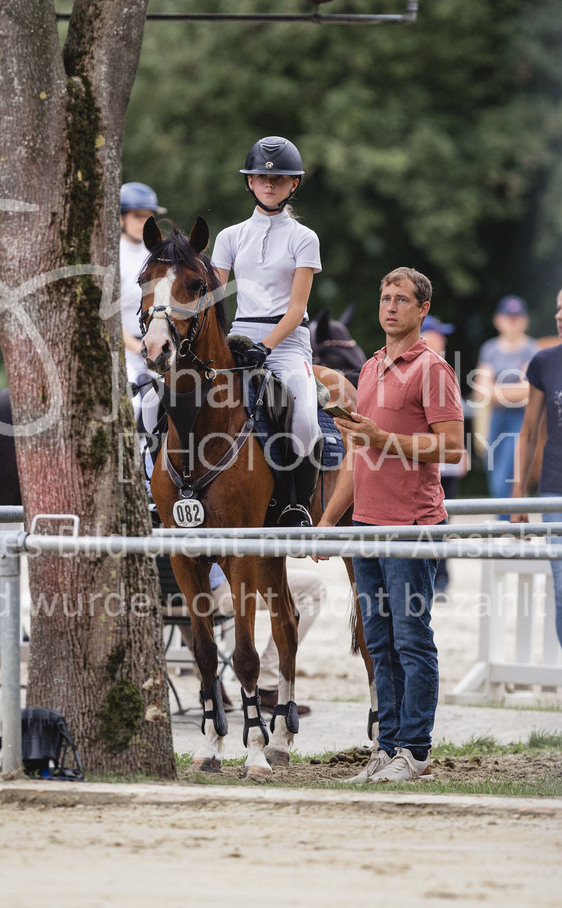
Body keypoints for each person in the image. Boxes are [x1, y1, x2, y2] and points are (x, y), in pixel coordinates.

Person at [317, 268, 464, 783]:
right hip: (365, 524)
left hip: (412, 524)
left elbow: (452, 448)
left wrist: (384, 440)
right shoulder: (370, 368)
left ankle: (415, 750)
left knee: (411, 639)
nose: (391, 306)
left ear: (423, 310)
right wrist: (328, 521)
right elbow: (357, 456)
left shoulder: (433, 369)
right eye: (385, 297)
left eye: (402, 299)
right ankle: (387, 747)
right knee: (377, 641)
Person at [211, 136, 322, 526]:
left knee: (305, 421)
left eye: (279, 179)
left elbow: (297, 309)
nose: (269, 184)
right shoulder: (229, 237)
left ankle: (297, 504)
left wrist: (266, 347)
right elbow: (214, 301)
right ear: (250, 182)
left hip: (287, 343)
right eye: (261, 177)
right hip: (238, 339)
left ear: (294, 184)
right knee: (174, 398)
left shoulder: (304, 238)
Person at [510, 284, 562, 728]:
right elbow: (529, 431)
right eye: (558, 308)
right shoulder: (545, 363)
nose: (559, 315)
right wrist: (519, 494)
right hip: (556, 490)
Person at [175, 562, 326, 716]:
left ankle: (212, 685)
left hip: (168, 603)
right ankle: (267, 684)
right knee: (314, 587)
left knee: (184, 576)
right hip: (212, 595)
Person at [472, 296, 539, 513]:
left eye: (517, 317)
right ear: (498, 320)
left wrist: (495, 391)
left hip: (520, 419)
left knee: (510, 474)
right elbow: (481, 389)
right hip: (496, 419)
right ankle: (505, 521)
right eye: (509, 317)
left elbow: (529, 391)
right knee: (494, 474)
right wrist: (513, 391)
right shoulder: (490, 348)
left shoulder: (531, 348)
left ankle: (508, 521)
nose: (512, 322)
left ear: (524, 320)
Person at [420, 314, 468, 594]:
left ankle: (442, 576)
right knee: (433, 520)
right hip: (432, 461)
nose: (444, 340)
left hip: (448, 461)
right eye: (439, 334)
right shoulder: (427, 369)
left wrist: (463, 450)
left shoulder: (444, 367)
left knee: (445, 521)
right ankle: (436, 576)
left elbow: (456, 417)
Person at [119, 182, 166, 424]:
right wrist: (138, 347)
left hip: (157, 345)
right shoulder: (113, 254)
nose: (144, 222)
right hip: (124, 349)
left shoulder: (157, 255)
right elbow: (108, 317)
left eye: (149, 216)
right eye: (137, 216)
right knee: (134, 404)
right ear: (121, 219)